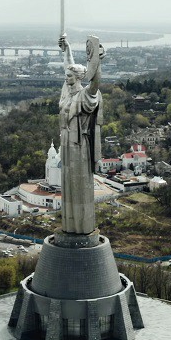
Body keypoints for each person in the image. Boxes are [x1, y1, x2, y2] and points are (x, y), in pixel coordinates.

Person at [56, 34, 105, 235]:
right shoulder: (67, 91)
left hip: (80, 146)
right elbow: (69, 65)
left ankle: (82, 227)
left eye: (69, 76)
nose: (66, 78)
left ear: (78, 78)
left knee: (79, 184)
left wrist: (97, 61)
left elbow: (95, 83)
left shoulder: (86, 95)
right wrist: (66, 48)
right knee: (67, 183)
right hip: (66, 143)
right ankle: (69, 226)